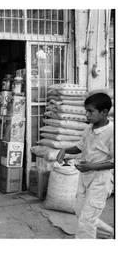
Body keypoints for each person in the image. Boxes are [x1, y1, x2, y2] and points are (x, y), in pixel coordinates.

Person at [57, 93, 114, 239]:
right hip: (84, 177)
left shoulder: (112, 132)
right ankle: (112, 234)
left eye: (90, 111)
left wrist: (92, 166)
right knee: (81, 212)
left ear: (104, 112)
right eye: (86, 111)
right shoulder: (89, 129)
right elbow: (80, 146)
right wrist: (65, 150)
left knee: (86, 220)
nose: (86, 115)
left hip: (100, 180)